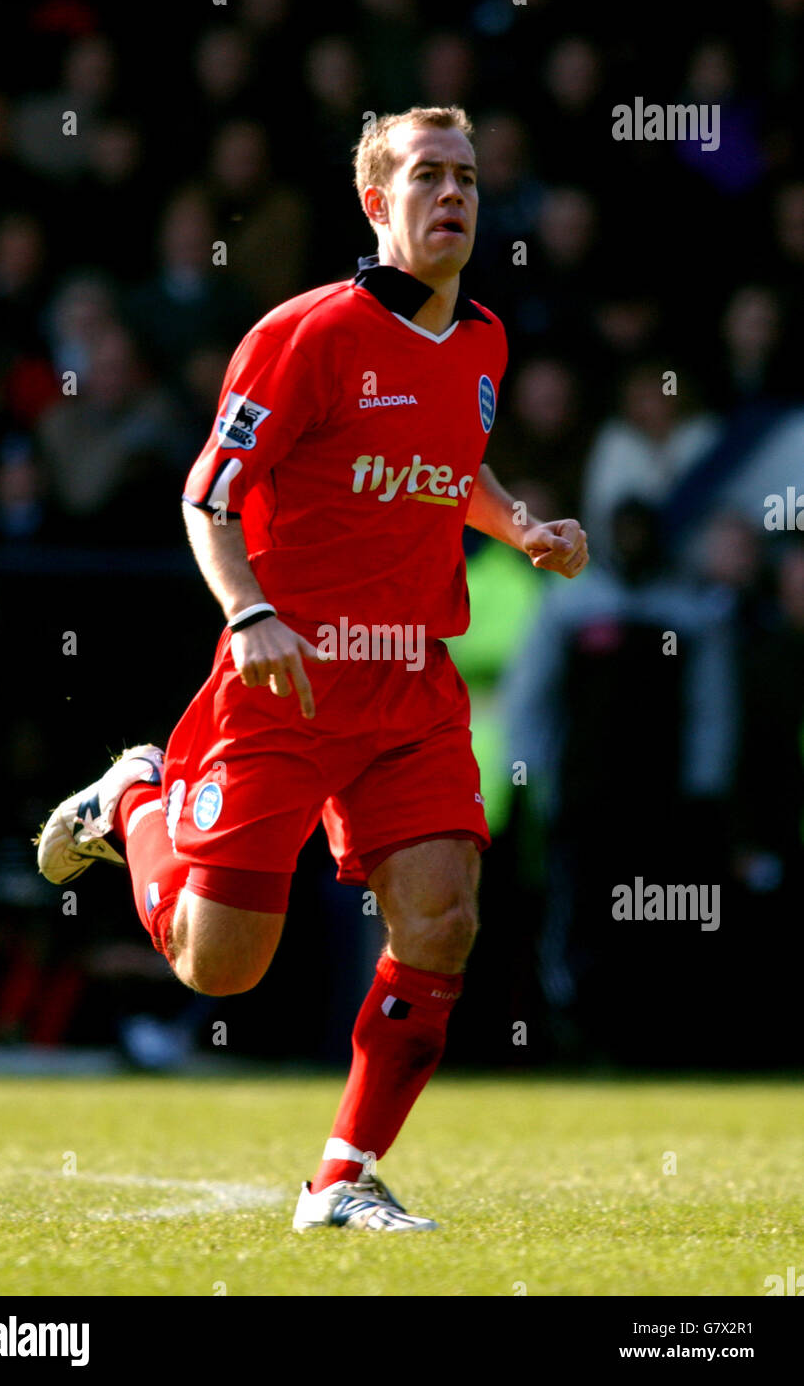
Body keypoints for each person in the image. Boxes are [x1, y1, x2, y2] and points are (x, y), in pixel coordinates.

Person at [36, 106, 588, 1232]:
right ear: (375, 203)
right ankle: (134, 794)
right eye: (428, 176)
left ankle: (340, 1176)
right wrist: (247, 614)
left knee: (441, 921)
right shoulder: (304, 334)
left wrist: (517, 522)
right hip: (285, 681)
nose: (454, 196)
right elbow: (207, 494)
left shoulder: (480, 338)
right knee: (219, 968)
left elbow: (446, 464)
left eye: (469, 179)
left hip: (408, 685)